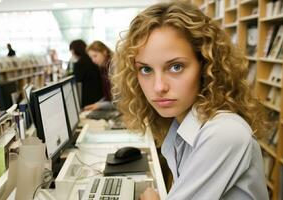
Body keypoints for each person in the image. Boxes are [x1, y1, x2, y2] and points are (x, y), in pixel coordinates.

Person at [110, 1, 269, 199]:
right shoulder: (182, 124)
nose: (159, 87)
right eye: (146, 69)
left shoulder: (224, 132)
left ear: (206, 65)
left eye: (175, 67)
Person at [69, 39, 103, 108]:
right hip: (100, 96)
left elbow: (76, 80)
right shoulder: (92, 59)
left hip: (88, 99)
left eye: (71, 50)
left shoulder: (79, 63)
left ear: (74, 50)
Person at [85, 41, 113, 111]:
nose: (93, 60)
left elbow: (120, 102)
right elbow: (109, 97)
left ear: (104, 52)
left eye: (95, 56)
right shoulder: (103, 68)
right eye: (91, 58)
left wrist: (100, 105)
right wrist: (97, 104)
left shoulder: (115, 66)